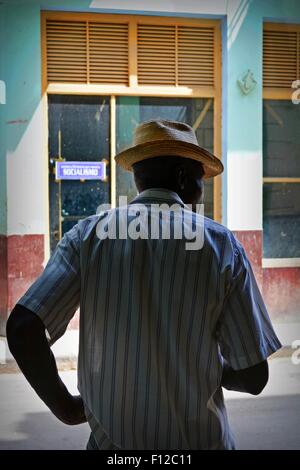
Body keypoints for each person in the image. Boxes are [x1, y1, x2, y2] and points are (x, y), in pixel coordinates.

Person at [7, 120, 281, 450]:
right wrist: (210, 367)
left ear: (137, 176)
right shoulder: (220, 245)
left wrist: (65, 407)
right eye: (200, 177)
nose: (202, 188)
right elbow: (254, 376)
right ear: (182, 176)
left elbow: (23, 327)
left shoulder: (88, 237)